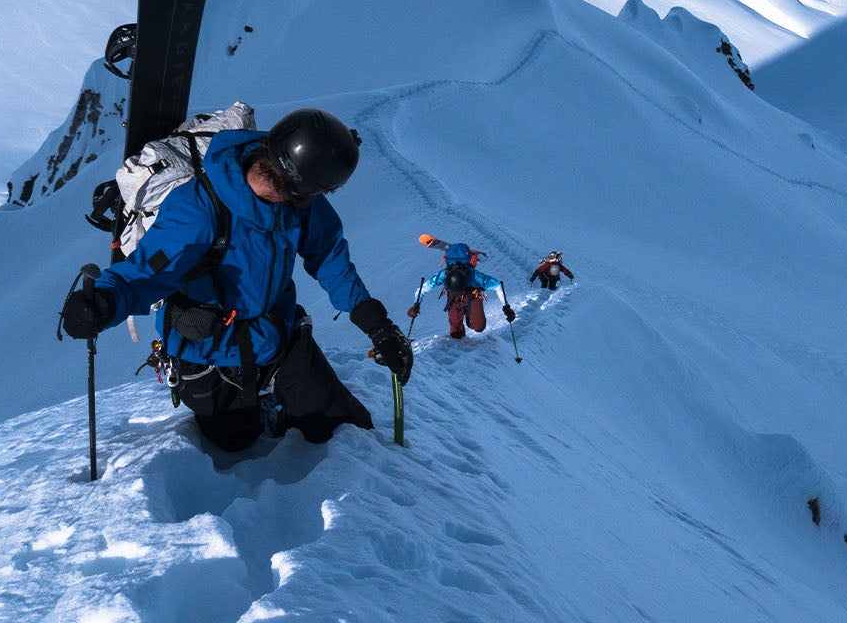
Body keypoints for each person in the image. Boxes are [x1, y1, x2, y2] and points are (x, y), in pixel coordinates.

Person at [58, 108, 413, 452]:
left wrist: (374, 320)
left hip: (275, 335)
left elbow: (329, 255)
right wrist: (103, 302)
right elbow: (146, 273)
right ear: (300, 186)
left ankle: (279, 393)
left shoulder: (300, 203)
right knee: (237, 443)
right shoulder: (198, 210)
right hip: (210, 351)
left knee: (342, 429)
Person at [408, 243, 515, 339]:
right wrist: (506, 307)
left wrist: (506, 307)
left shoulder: (470, 275)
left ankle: (470, 318)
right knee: (456, 333)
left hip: (473, 295)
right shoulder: (452, 274)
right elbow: (497, 285)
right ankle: (460, 342)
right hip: (454, 298)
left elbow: (422, 290)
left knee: (479, 327)